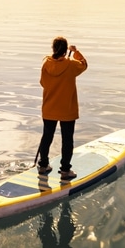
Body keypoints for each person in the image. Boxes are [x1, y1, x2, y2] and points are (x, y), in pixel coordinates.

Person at [36, 36, 87, 180]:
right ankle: (65, 170)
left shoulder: (46, 63)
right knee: (67, 139)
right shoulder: (71, 64)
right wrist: (76, 52)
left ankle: (43, 164)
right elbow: (84, 64)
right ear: (65, 50)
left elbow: (43, 83)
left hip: (49, 107)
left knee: (47, 136)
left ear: (53, 48)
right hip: (67, 109)